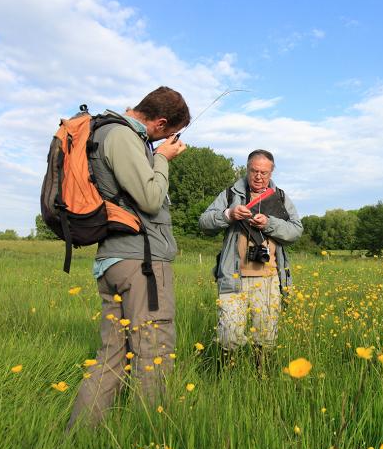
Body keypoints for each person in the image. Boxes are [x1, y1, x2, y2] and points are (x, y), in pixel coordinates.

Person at [67, 87, 190, 430]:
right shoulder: (121, 136)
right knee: (154, 354)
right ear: (161, 121)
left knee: (111, 357)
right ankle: (152, 443)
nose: (168, 140)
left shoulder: (106, 132)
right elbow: (150, 199)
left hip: (114, 260)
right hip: (142, 264)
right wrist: (163, 158)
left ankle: (78, 438)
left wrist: (154, 154)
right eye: (169, 133)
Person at [199, 150, 302, 368]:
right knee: (229, 335)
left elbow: (295, 231)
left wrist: (269, 224)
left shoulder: (280, 196)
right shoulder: (230, 194)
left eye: (264, 172)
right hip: (232, 276)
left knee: (266, 338)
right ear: (246, 169)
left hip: (269, 278)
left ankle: (262, 380)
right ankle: (225, 380)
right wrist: (228, 215)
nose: (258, 177)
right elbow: (204, 223)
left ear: (271, 171)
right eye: (254, 171)